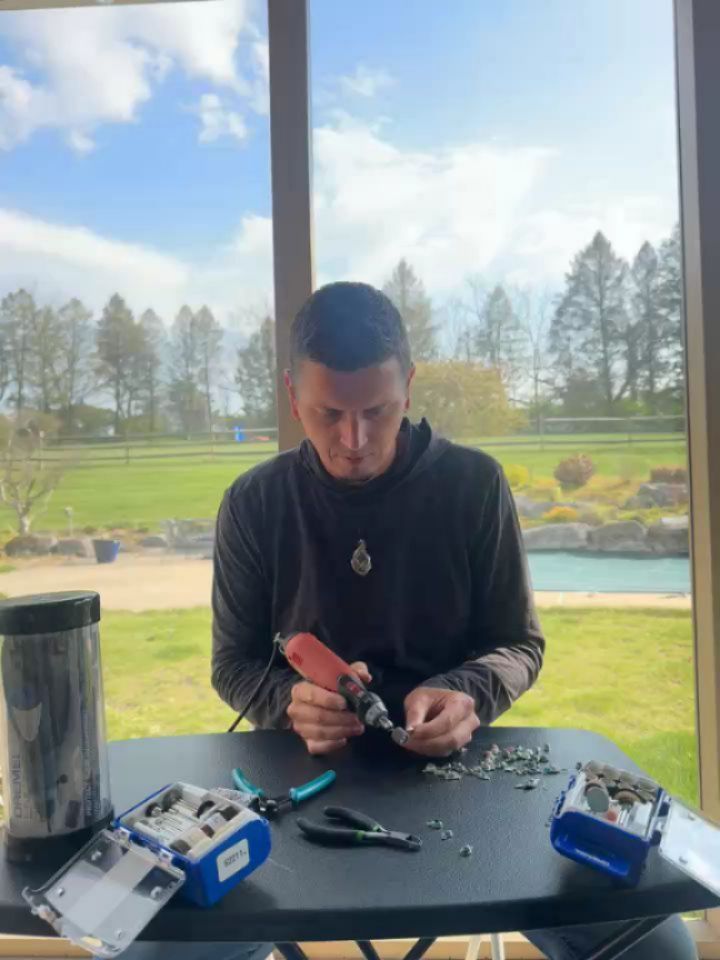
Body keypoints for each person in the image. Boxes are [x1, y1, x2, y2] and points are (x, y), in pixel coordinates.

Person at [127, 283, 693, 960]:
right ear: (290, 395)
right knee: (154, 950)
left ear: (411, 387)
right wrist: (289, 701)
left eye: (378, 411)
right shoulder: (255, 503)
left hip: (467, 779)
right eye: (327, 413)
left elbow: (519, 642)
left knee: (658, 947)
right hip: (292, 786)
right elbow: (234, 662)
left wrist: (469, 691)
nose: (355, 440)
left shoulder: (475, 485)